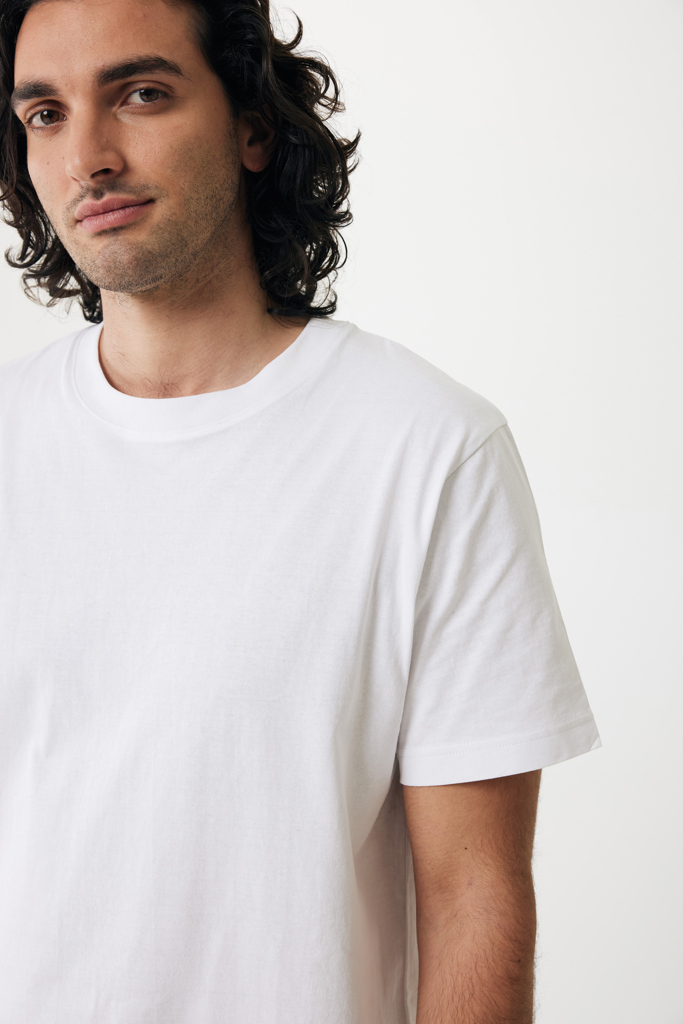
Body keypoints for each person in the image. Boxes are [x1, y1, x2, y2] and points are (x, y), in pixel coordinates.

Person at [0, 0, 600, 1020]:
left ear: (252, 127)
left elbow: (473, 901)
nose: (88, 156)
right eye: (45, 114)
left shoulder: (426, 451)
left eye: (140, 94)